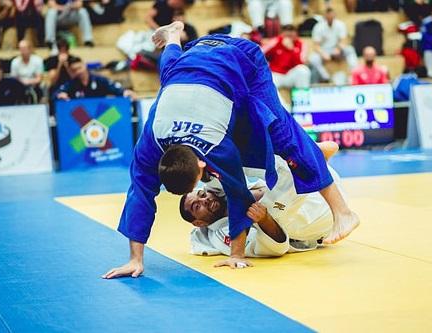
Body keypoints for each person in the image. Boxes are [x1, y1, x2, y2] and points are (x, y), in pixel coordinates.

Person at [102, 22, 359, 279]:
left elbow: (238, 195)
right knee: (171, 72)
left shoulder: (213, 146)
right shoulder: (151, 140)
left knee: (281, 133)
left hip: (241, 58)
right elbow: (142, 194)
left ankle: (343, 212)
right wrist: (135, 258)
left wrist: (237, 254)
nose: (202, 191)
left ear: (202, 165)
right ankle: (172, 38)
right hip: (192, 56)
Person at [184, 148, 344, 258]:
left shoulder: (215, 193)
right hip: (318, 215)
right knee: (267, 210)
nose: (205, 200)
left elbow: (212, 171)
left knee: (234, 166)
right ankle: (307, 154)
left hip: (324, 183)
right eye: (197, 206)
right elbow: (276, 248)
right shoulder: (220, 236)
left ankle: (305, 155)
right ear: (199, 223)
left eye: (202, 195)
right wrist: (264, 219)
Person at [309, 8, 358, 82]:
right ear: (324, 16)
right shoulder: (318, 27)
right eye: (328, 16)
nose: (330, 18)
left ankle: (354, 71)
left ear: (334, 15)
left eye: (331, 16)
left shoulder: (340, 24)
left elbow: (343, 40)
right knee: (313, 58)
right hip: (324, 50)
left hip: (337, 49)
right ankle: (325, 76)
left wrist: (338, 49)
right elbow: (316, 45)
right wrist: (323, 54)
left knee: (350, 50)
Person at [54, 57, 135, 100]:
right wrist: (59, 95)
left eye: (80, 68)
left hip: (101, 116)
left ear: (85, 65)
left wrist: (125, 92)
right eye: (74, 70)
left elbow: (116, 88)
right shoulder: (71, 84)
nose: (78, 72)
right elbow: (56, 94)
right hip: (81, 120)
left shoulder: (99, 80)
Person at [263, 24, 311, 89]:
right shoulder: (275, 41)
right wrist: (277, 43)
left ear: (296, 34)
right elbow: (261, 54)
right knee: (268, 80)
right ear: (282, 33)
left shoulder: (301, 44)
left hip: (291, 75)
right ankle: (276, 99)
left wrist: (292, 49)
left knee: (303, 70)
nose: (289, 34)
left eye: (292, 32)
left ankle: (302, 98)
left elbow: (301, 62)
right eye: (287, 32)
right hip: (276, 74)